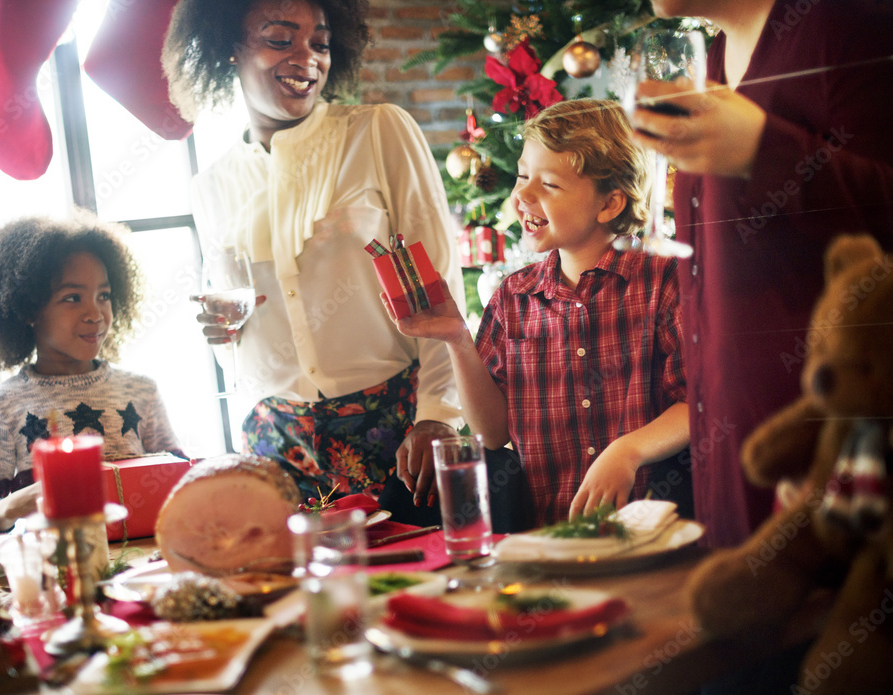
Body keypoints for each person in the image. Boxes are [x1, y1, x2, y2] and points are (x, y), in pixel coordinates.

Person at [162, 0, 465, 522]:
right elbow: (239, 334)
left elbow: (441, 282)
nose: (308, 58)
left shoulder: (377, 133)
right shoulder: (211, 185)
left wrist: (439, 413)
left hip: (396, 430)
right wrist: (221, 336)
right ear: (228, 50)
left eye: (320, 43)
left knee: (420, 587)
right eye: (280, 39)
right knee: (303, 602)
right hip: (276, 446)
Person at [633, 0, 893, 549]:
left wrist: (763, 149)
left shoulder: (845, 26)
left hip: (836, 476)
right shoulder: (716, 59)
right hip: (732, 463)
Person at [384, 99, 689, 526]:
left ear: (610, 204)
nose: (521, 195)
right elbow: (492, 432)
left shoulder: (666, 282)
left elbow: (697, 402)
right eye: (523, 176)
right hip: (548, 536)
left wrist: (628, 451)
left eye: (549, 185)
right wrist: (457, 339)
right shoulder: (512, 296)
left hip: (654, 531)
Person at [0, 214, 184, 536]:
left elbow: (182, 478)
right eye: (72, 298)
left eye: (103, 296)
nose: (95, 314)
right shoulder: (3, 405)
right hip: (57, 570)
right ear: (29, 310)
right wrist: (17, 503)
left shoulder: (141, 391)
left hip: (143, 564)